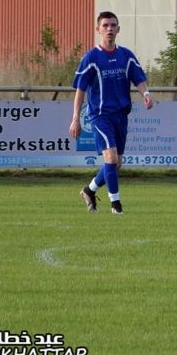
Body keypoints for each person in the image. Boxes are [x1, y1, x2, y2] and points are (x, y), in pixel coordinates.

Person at [69, 11, 153, 214]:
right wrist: (75, 119)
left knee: (116, 164)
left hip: (121, 114)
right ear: (98, 29)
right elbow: (80, 89)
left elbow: (138, 79)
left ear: (118, 29)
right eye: (105, 25)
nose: (109, 29)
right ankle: (116, 205)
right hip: (100, 115)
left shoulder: (126, 55)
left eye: (113, 25)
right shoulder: (91, 57)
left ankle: (89, 190)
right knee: (111, 158)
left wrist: (146, 94)